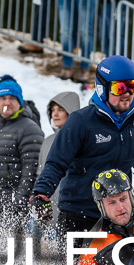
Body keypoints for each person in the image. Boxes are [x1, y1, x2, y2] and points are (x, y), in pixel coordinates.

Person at [31, 55, 134, 251]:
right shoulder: (81, 121)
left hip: (117, 212)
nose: (127, 93)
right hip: (79, 211)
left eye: (132, 86)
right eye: (120, 88)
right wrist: (41, 192)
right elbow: (57, 163)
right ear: (102, 88)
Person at [0, 79, 44, 230]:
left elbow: (31, 172)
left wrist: (19, 204)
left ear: (19, 101)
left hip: (11, 208)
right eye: (2, 98)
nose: (7, 102)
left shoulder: (30, 129)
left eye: (12, 98)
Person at [37, 91, 81, 222]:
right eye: (53, 110)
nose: (55, 114)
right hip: (46, 211)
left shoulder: (80, 141)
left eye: (60, 109)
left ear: (71, 111)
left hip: (70, 212)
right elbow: (40, 173)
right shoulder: (47, 141)